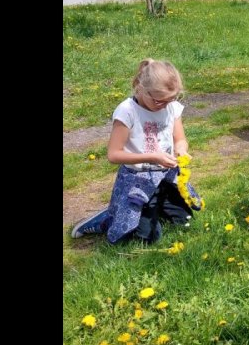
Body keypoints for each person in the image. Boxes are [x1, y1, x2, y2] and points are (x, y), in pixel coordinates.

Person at [70, 59, 203, 243]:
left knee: (184, 222)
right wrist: (153, 157)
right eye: (159, 101)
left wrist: (181, 149)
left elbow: (180, 139)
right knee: (147, 238)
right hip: (137, 180)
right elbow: (113, 154)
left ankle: (153, 209)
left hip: (166, 177)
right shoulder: (127, 111)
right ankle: (107, 218)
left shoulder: (171, 107)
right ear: (141, 88)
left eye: (171, 100)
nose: (165, 105)